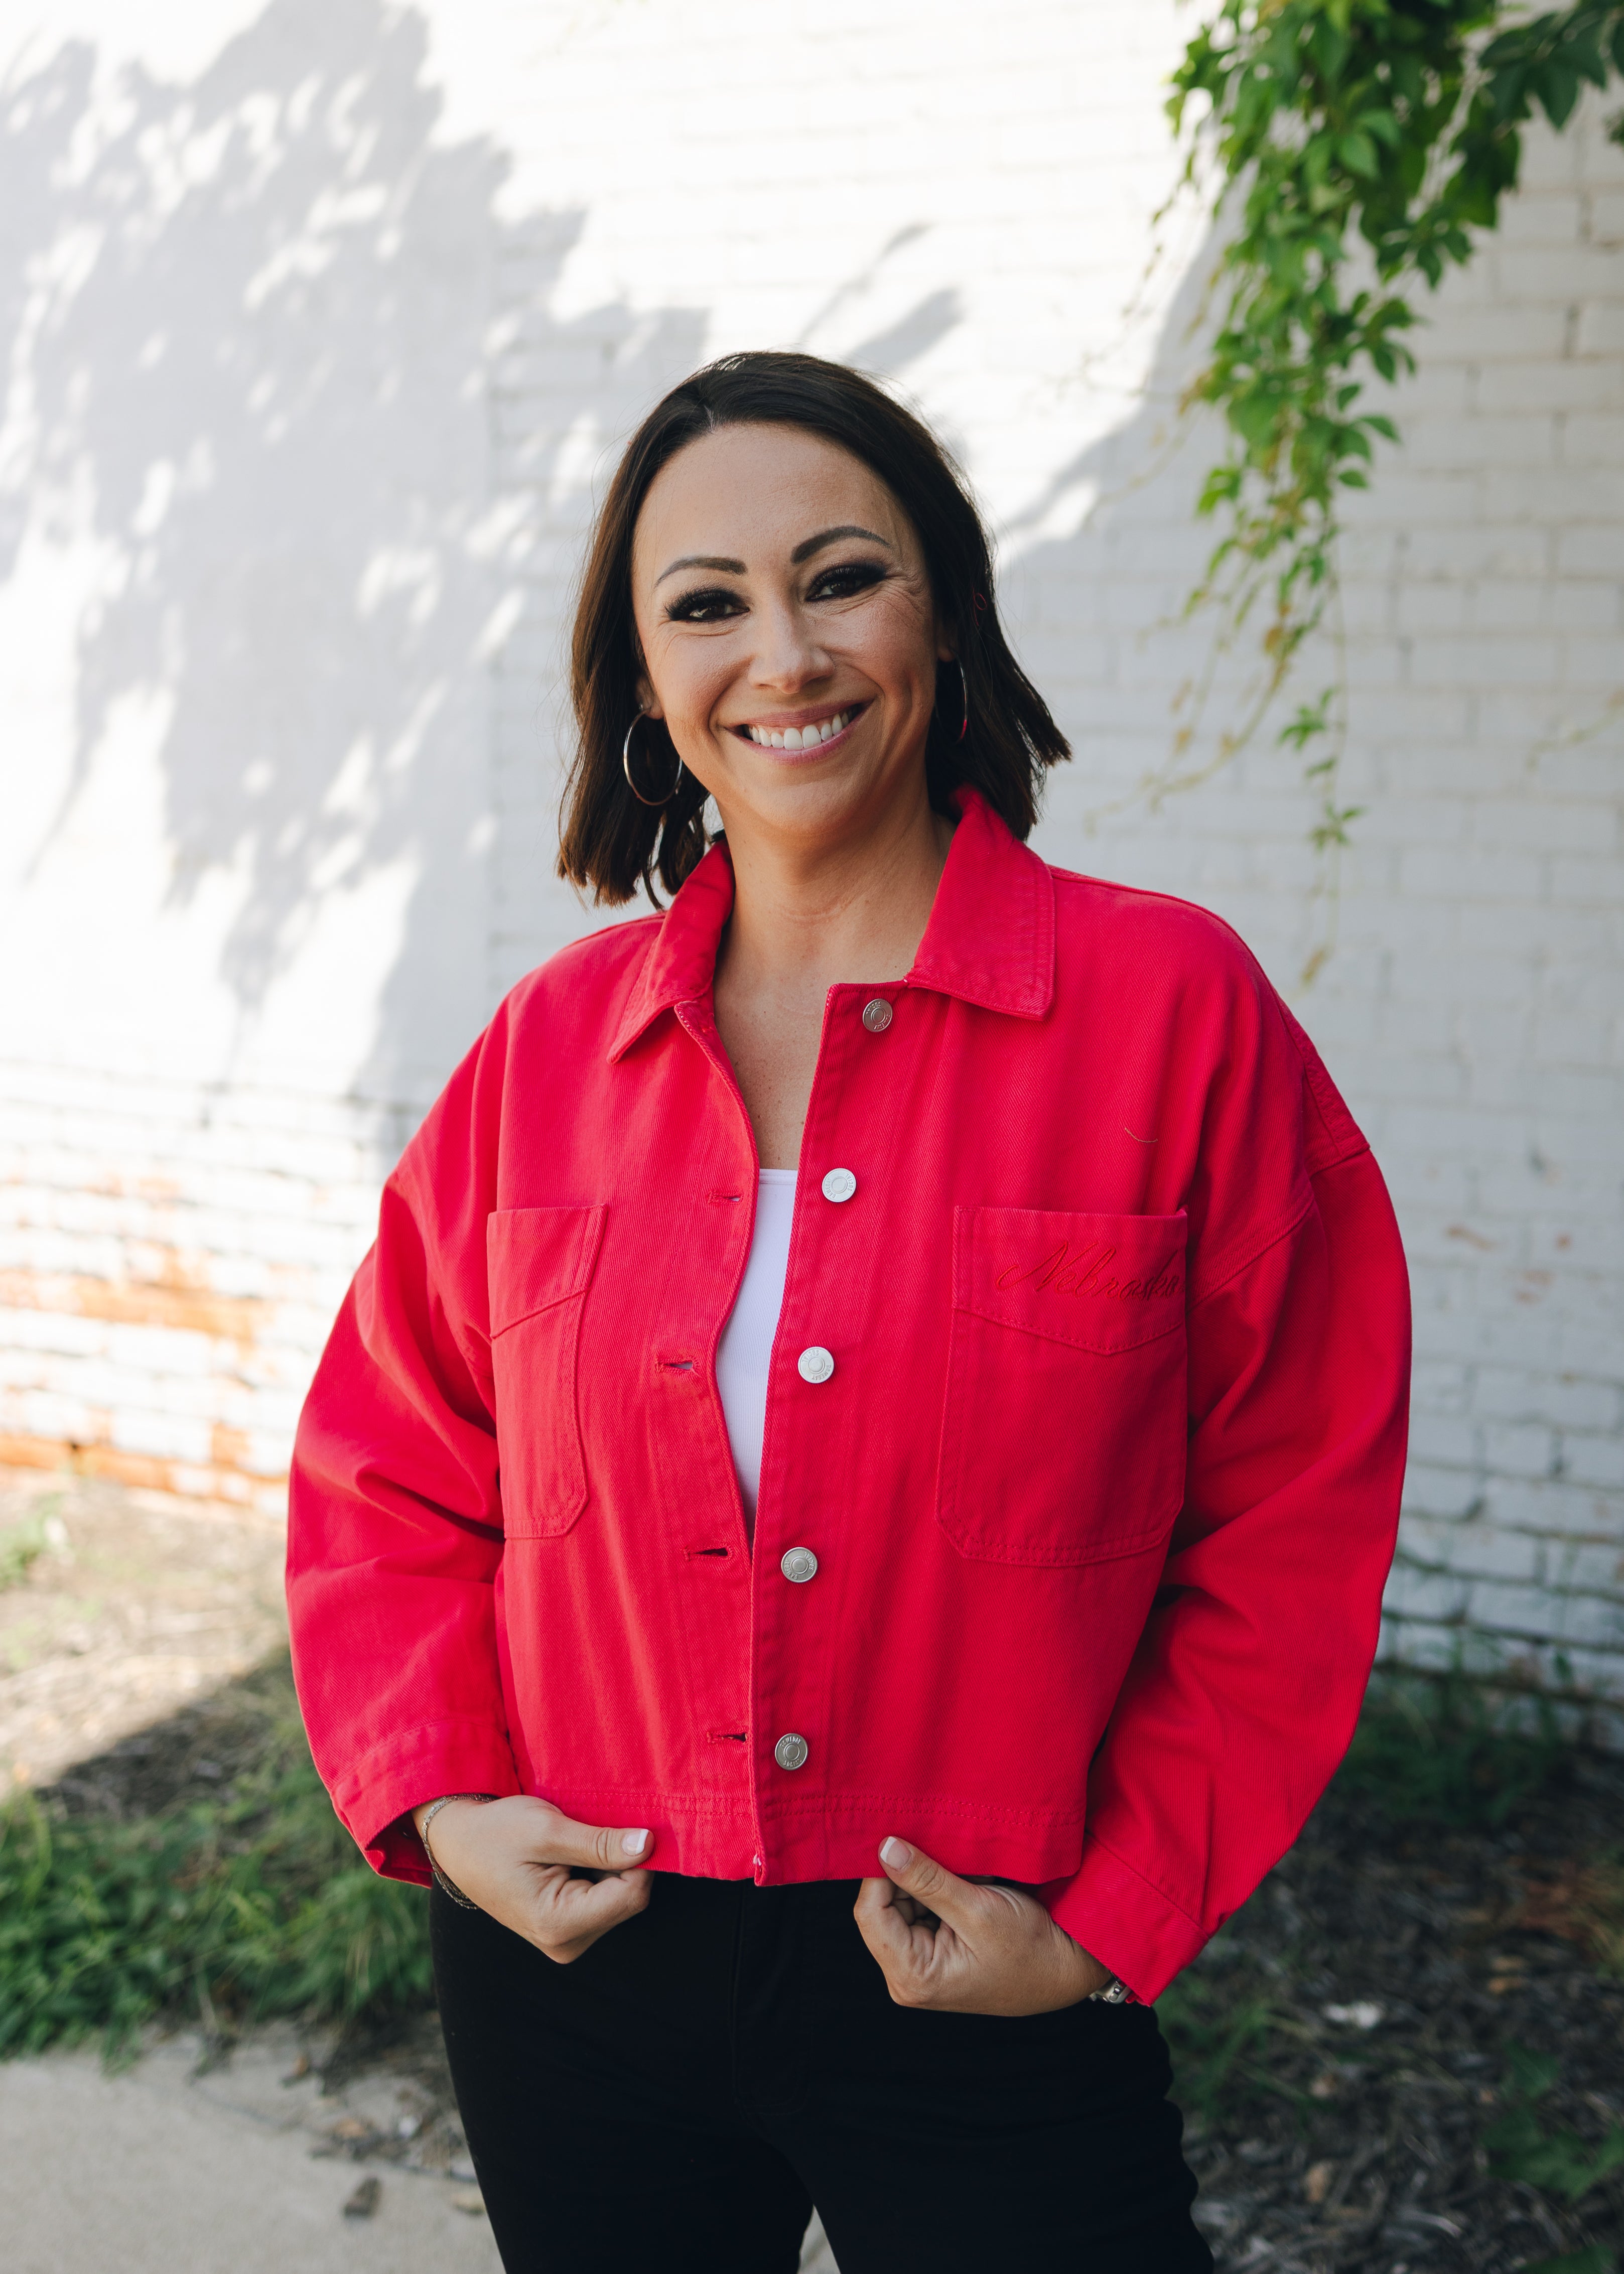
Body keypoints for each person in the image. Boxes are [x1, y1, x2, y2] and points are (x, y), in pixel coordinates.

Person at [287, 350, 1410, 2274]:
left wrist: (1104, 1914)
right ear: (645, 685)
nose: (781, 654)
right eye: (704, 606)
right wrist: (448, 1803)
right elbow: (387, 1470)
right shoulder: (544, 1057)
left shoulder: (1171, 1017)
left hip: (984, 1989)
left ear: (945, 614)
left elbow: (1294, 1514)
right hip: (583, 1982)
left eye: (839, 577)